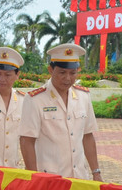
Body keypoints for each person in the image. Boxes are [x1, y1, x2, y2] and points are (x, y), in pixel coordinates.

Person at [19, 43, 100, 180]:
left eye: (72, 73)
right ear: (51, 70)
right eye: (62, 72)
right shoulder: (35, 99)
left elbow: (88, 136)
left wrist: (96, 172)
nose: (67, 78)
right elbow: (27, 141)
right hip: (49, 178)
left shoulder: (83, 97)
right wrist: (33, 177)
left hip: (79, 177)